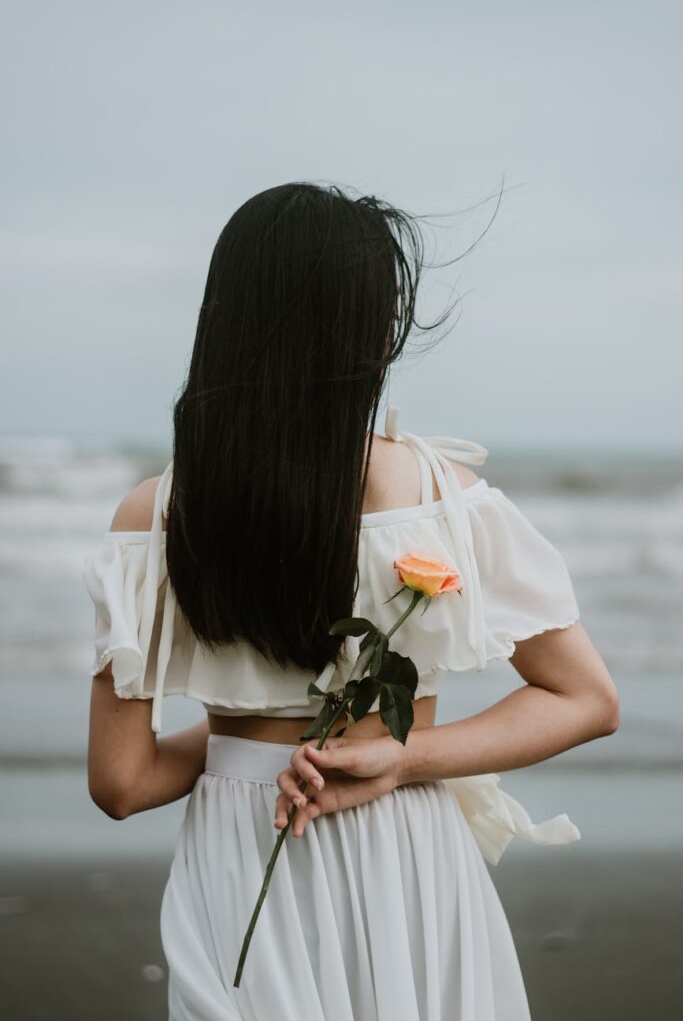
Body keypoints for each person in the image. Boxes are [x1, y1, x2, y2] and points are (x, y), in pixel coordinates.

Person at [83, 182, 619, 1021]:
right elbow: (585, 699)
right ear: (368, 335)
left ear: (225, 320)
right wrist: (394, 755)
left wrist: (240, 745)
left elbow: (121, 783)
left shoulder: (153, 515)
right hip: (403, 847)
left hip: (240, 856)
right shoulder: (445, 497)